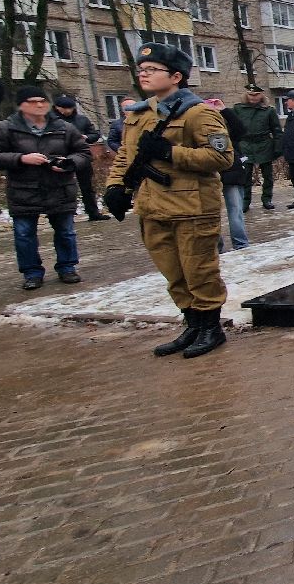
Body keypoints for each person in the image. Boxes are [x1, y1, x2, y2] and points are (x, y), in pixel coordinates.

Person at [103, 43, 234, 358]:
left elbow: (221, 156)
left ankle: (210, 328)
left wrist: (169, 152)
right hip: (152, 206)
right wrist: (115, 186)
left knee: (199, 270)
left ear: (176, 76)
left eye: (152, 70)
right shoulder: (139, 114)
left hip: (192, 208)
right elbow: (125, 156)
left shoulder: (199, 113)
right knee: (173, 273)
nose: (144, 75)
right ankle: (192, 324)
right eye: (141, 70)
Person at [0, 86, 92, 288]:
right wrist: (21, 158)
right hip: (24, 190)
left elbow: (83, 152)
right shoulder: (5, 128)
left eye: (43, 101)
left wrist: (69, 163)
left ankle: (67, 268)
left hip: (60, 188)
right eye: (33, 101)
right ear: (21, 105)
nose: (39, 105)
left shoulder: (64, 127)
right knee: (24, 234)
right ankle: (32, 273)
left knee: (66, 232)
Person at [52, 95, 112, 221]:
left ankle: (93, 212)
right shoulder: (50, 120)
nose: (67, 111)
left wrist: (87, 137)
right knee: (61, 187)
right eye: (64, 108)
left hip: (81, 155)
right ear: (57, 107)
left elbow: (95, 134)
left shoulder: (82, 120)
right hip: (60, 155)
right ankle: (64, 214)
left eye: (70, 108)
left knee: (87, 186)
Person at [204, 97, 250, 252]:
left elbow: (241, 131)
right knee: (212, 212)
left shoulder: (224, 121)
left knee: (235, 209)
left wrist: (224, 110)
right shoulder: (198, 123)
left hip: (231, 170)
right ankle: (219, 246)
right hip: (210, 172)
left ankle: (241, 244)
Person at [230, 83, 282, 211]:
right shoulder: (238, 109)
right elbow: (232, 128)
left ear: (261, 95)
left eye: (256, 95)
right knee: (245, 175)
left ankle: (267, 199)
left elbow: (276, 130)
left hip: (264, 144)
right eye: (250, 95)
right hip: (246, 145)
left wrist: (278, 147)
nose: (253, 98)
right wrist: (234, 146)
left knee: (268, 176)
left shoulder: (268, 110)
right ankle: (245, 202)